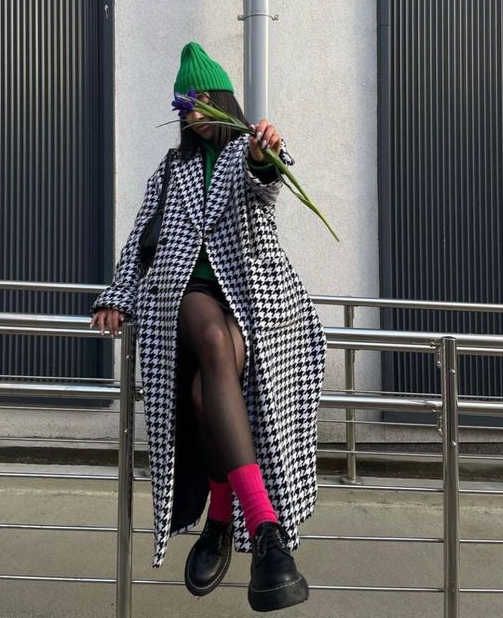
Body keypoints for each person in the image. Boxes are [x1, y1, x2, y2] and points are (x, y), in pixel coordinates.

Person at [89, 42, 327, 612]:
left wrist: (267, 155)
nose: (191, 113)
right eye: (183, 105)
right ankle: (266, 530)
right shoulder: (171, 169)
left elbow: (267, 184)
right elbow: (141, 241)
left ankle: (221, 518)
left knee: (204, 396)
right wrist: (118, 296)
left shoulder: (249, 148)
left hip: (252, 299)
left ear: (220, 98)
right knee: (212, 338)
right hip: (187, 294)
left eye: (198, 100)